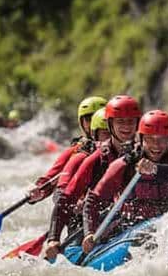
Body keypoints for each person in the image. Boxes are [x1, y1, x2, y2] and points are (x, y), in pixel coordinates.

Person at [43, 95, 141, 259]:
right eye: (120, 122)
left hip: (125, 219)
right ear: (110, 124)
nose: (127, 127)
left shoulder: (149, 149)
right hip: (88, 222)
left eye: (131, 121)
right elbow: (66, 198)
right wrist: (53, 239)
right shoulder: (94, 158)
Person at [81, 110, 168, 253]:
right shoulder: (123, 164)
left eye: (162, 139)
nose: (156, 146)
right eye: (150, 139)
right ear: (141, 139)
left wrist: (154, 169)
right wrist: (89, 232)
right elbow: (93, 200)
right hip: (131, 227)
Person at [27, 96, 104, 204]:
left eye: (99, 118)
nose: (93, 123)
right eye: (88, 119)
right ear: (81, 122)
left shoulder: (121, 147)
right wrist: (38, 191)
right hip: (81, 205)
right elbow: (51, 178)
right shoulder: (76, 151)